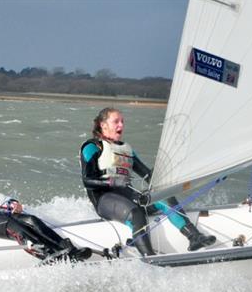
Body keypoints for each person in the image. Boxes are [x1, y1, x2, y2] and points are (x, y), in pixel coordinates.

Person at [79, 108, 215, 256]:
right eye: (116, 122)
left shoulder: (126, 150)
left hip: (128, 196)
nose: (121, 126)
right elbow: (87, 181)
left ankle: (194, 237)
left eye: (122, 122)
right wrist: (112, 182)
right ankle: (149, 256)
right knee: (136, 212)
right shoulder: (92, 147)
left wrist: (171, 176)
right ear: (103, 125)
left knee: (163, 197)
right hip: (104, 201)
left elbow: (147, 175)